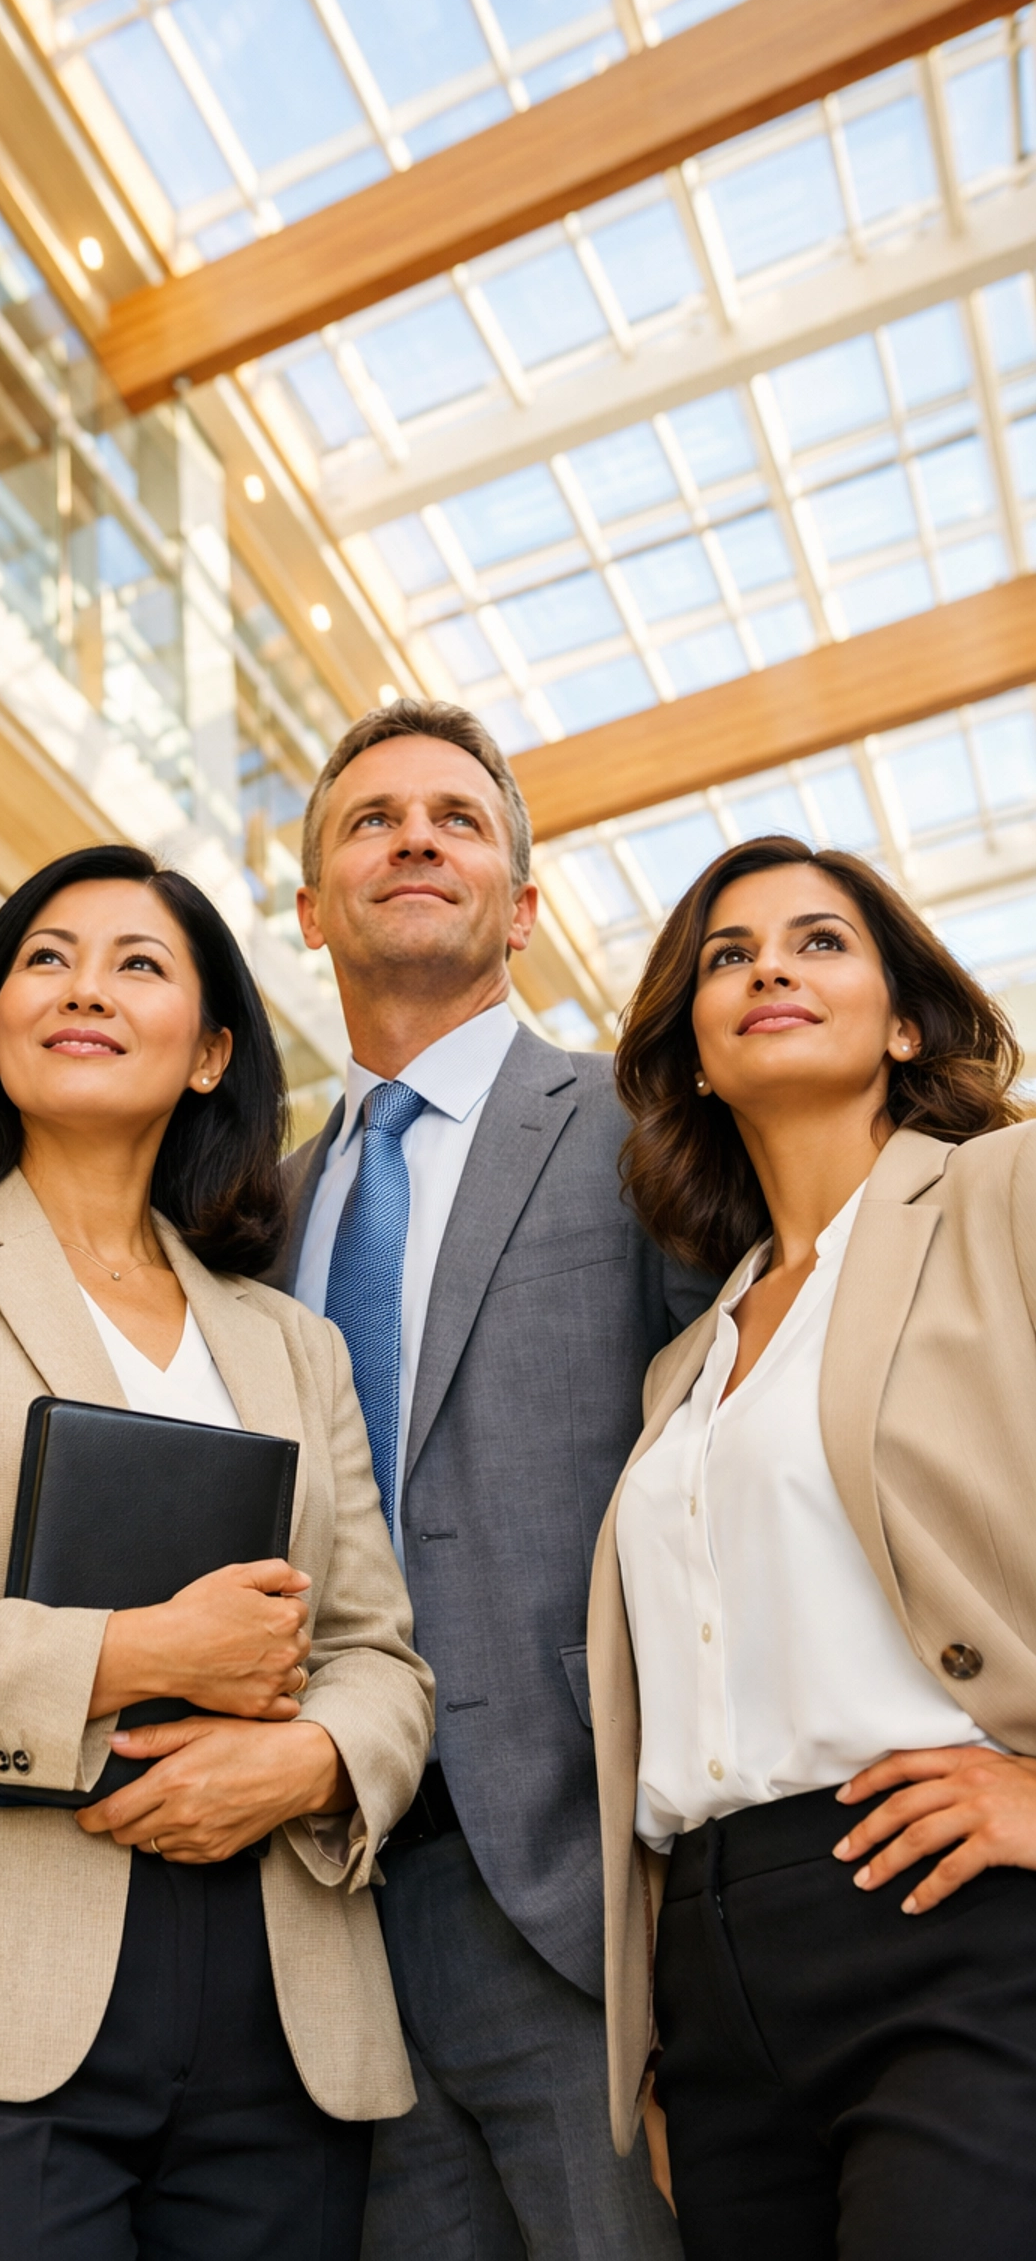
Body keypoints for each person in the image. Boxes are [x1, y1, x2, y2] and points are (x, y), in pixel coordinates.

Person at [0, 842, 434, 2261]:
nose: (82, 988)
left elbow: (377, 1656)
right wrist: (134, 1655)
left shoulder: (295, 1342)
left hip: (276, 2007)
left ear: (214, 1051)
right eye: (44, 959)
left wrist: (318, 1758)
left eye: (137, 964)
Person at [274, 697, 713, 2260]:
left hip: (584, 1898)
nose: (414, 837)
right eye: (371, 819)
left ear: (523, 909)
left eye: (457, 820)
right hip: (315, 1902)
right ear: (308, 898)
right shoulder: (258, 1205)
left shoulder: (646, 1129)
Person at [590, 833, 1036, 2259]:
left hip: (952, 1925)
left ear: (904, 1022)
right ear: (699, 1054)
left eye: (819, 940)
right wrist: (668, 2032)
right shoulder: (688, 1362)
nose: (769, 964)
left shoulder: (1006, 1200)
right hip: (719, 1994)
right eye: (728, 955)